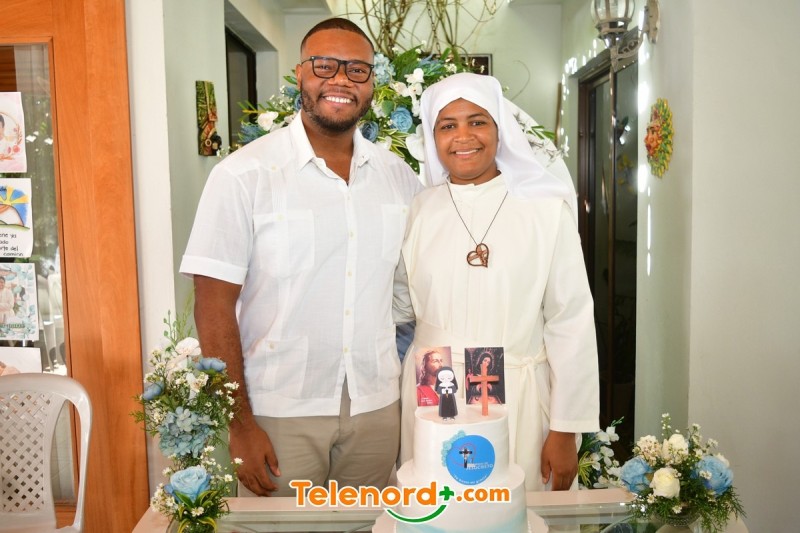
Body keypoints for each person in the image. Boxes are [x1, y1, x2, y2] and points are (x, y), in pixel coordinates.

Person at [180, 18, 422, 497]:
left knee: (368, 528)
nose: (340, 80)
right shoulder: (243, 175)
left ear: (372, 82)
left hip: (377, 407)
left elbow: (413, 287)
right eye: (324, 65)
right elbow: (212, 305)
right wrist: (239, 424)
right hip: (279, 410)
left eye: (356, 69)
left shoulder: (398, 178)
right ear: (300, 75)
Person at [397, 72, 599, 492]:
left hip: (518, 396)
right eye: (447, 125)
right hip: (434, 393)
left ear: (499, 129)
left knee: (513, 508)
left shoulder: (545, 210)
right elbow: (401, 302)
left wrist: (565, 428)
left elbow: (571, 320)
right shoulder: (420, 209)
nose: (463, 136)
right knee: (437, 508)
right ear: (433, 137)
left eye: (477, 121)